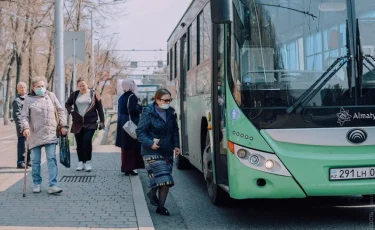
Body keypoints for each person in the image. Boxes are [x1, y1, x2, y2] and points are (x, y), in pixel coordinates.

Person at [136, 88, 180, 216]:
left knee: (162, 180)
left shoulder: (171, 112)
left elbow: (175, 131)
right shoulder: (148, 112)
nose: (167, 102)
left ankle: (158, 203)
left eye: (169, 100)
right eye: (165, 100)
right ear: (157, 100)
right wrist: (151, 143)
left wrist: (176, 145)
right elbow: (140, 132)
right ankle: (159, 204)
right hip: (151, 151)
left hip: (166, 151)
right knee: (165, 179)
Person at [20, 76, 68, 194]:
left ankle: (53, 185)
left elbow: (60, 110)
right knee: (35, 160)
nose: (41, 88)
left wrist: (63, 125)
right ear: (33, 87)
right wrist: (25, 127)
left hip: (50, 133)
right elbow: (24, 116)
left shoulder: (50, 96)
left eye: (43, 86)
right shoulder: (28, 99)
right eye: (38, 86)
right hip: (35, 134)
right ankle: (37, 183)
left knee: (51, 158)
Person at [65, 77, 105, 172]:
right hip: (77, 123)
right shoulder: (74, 95)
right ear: (78, 86)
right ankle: (80, 162)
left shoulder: (94, 94)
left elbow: (99, 108)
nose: (82, 87)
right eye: (80, 86)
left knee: (86, 141)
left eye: (83, 85)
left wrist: (102, 121)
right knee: (79, 144)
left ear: (87, 84)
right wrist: (71, 111)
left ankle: (88, 162)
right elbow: (67, 104)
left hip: (90, 122)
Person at [115, 79, 144, 175]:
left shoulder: (121, 97)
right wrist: (140, 108)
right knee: (132, 146)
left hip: (123, 124)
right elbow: (133, 110)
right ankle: (130, 168)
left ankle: (126, 168)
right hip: (131, 124)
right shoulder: (132, 96)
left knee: (125, 147)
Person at [12, 82, 31, 169]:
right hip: (22, 127)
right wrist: (22, 127)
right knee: (22, 144)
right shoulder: (17, 101)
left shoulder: (29, 98)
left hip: (30, 126)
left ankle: (28, 161)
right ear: (17, 89)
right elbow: (17, 116)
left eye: (24, 87)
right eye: (21, 88)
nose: (23, 89)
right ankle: (21, 162)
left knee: (29, 144)